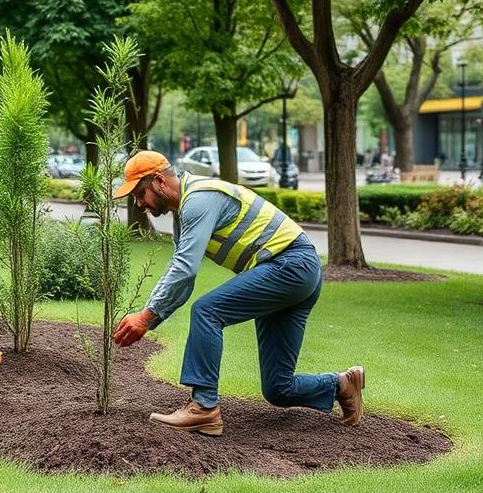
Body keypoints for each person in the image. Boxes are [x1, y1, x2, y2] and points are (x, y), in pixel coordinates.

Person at [112, 151, 364, 436]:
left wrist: (145, 318)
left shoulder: (199, 198)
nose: (139, 204)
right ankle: (342, 384)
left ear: (159, 181)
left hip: (290, 265)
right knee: (278, 388)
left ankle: (204, 407)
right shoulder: (185, 211)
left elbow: (184, 269)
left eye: (140, 193)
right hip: (295, 271)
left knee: (207, 311)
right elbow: (181, 275)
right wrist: (149, 319)